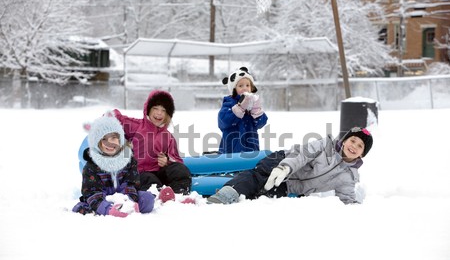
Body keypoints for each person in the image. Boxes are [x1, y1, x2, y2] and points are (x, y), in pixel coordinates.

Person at [207, 127, 373, 205]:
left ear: (361, 154)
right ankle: (227, 193)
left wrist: (357, 211)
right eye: (353, 140)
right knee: (258, 177)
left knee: (262, 194)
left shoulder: (349, 176)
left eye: (359, 146)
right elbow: (302, 154)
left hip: (291, 186)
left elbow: (347, 199)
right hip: (284, 159)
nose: (354, 146)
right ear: (344, 140)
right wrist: (284, 167)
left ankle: (227, 193)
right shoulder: (325, 145)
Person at [73, 115, 155, 217]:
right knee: (82, 207)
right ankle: (107, 211)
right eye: (104, 139)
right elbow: (91, 191)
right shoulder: (91, 166)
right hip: (101, 199)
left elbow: (132, 184)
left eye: (113, 138)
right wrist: (108, 209)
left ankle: (127, 208)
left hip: (124, 197)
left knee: (147, 199)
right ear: (97, 143)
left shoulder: (128, 160)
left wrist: (129, 201)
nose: (110, 143)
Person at [113, 90, 191, 195]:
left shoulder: (168, 136)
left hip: (160, 173)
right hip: (140, 174)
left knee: (180, 169)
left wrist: (166, 160)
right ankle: (157, 196)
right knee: (149, 179)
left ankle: (179, 193)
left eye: (163, 110)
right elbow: (115, 117)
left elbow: (176, 159)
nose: (159, 113)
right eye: (155, 108)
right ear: (148, 109)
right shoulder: (137, 126)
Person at [218, 66, 268, 153]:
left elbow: (261, 123)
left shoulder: (253, 104)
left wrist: (256, 111)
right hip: (231, 151)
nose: (245, 88)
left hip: (251, 150)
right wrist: (239, 108)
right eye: (240, 85)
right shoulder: (229, 103)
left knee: (251, 166)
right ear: (234, 89)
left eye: (247, 85)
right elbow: (223, 121)